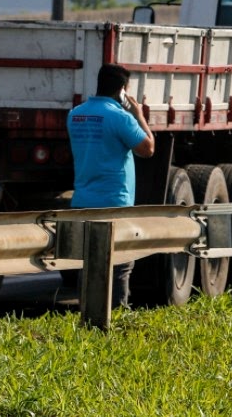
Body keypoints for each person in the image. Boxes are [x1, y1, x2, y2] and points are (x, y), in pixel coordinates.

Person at [67, 63, 156, 309]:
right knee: (120, 264)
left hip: (83, 200)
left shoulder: (75, 115)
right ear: (122, 91)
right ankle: (116, 315)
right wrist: (139, 115)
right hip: (114, 201)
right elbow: (148, 149)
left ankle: (87, 312)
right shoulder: (121, 117)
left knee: (89, 262)